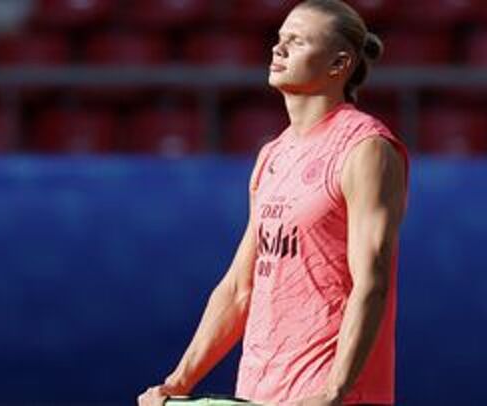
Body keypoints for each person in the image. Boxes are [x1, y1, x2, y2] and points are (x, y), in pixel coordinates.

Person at [138, 1, 409, 405]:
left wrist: (334, 391)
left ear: (339, 64)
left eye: (297, 41)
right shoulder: (273, 154)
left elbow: (372, 281)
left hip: (329, 395)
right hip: (258, 391)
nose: (278, 49)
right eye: (280, 38)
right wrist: (178, 382)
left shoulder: (366, 149)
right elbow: (238, 288)